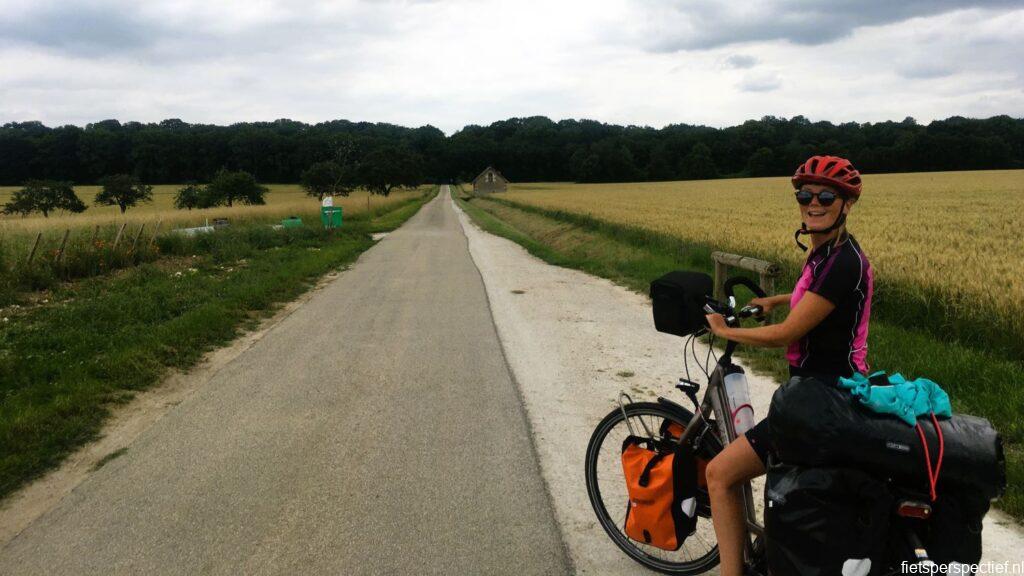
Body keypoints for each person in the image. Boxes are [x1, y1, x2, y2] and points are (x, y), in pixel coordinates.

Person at [702, 155, 873, 576]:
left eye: (826, 196)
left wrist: (726, 332)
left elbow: (785, 335)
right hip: (831, 393)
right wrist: (774, 301)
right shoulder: (827, 251)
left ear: (847, 204)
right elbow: (814, 297)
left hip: (822, 401)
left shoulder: (842, 262)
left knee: (720, 473)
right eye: (805, 194)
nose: (813, 202)